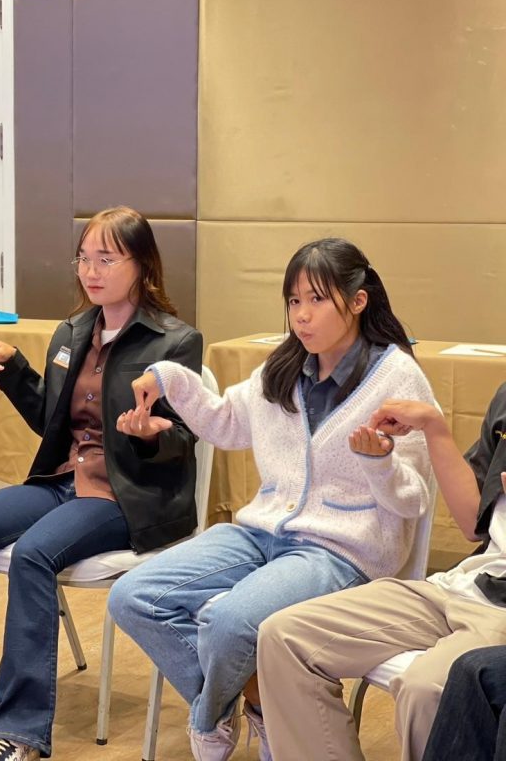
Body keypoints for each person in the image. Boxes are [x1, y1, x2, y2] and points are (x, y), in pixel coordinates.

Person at [0, 205, 202, 761]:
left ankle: (18, 731)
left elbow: (184, 437)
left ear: (143, 264)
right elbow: (50, 421)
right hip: (63, 479)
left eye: (106, 259)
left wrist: (151, 433)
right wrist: (13, 369)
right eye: (84, 259)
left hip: (127, 493)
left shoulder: (175, 341)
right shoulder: (71, 332)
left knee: (33, 554)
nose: (91, 271)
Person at [109, 237, 436, 761]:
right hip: (261, 532)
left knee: (229, 623)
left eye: (317, 300)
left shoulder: (397, 378)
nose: (301, 316)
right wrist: (170, 380)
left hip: (341, 551)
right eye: (293, 301)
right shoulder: (285, 366)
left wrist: (379, 463)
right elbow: (226, 423)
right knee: (132, 596)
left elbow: (412, 501)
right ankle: (261, 698)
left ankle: (211, 718)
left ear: (358, 301)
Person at [257, 384, 506, 761]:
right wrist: (434, 428)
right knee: (283, 637)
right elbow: (474, 523)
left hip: (498, 610)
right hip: (464, 583)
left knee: (426, 689)